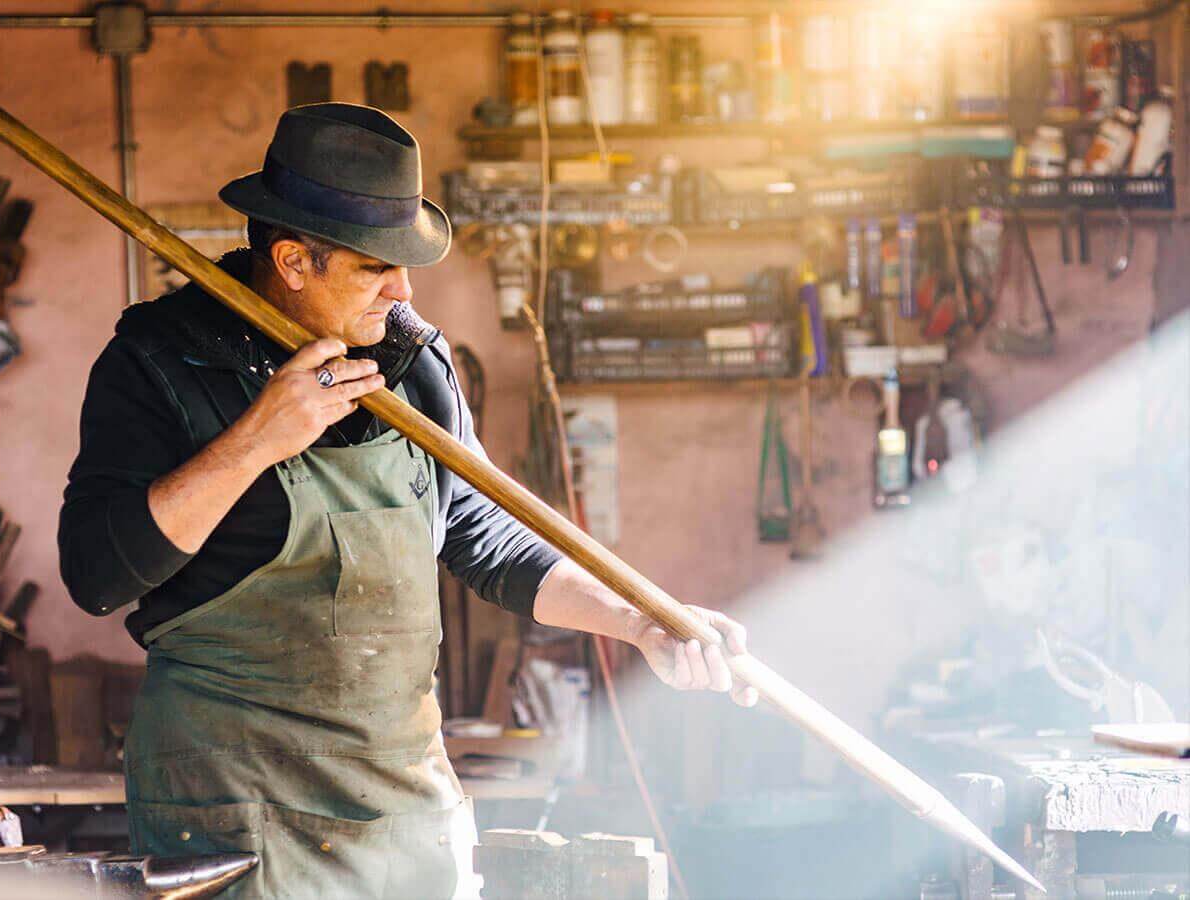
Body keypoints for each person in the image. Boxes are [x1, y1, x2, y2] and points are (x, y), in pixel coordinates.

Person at [59, 103, 753, 899]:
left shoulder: (412, 359)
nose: (402, 288)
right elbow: (98, 574)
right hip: (235, 811)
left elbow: (481, 533)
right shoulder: (161, 361)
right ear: (291, 260)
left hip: (401, 813)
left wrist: (637, 619)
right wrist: (259, 438)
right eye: (373, 267)